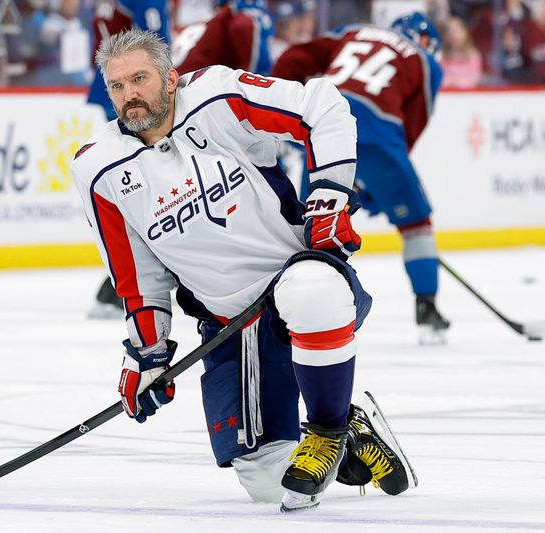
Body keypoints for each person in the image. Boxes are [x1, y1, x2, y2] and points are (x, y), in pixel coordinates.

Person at [70, 28, 416, 511]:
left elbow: (322, 105)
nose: (129, 94)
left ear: (170, 79)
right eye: (117, 86)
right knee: (269, 482)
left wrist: (331, 195)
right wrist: (147, 353)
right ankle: (352, 431)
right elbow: (136, 274)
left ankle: (327, 427)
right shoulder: (99, 170)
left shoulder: (216, 95)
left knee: (312, 289)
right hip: (230, 324)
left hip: (297, 279)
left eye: (140, 79)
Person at [273, 12, 450, 344]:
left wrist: (289, 108)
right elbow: (408, 131)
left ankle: (290, 310)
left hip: (323, 126)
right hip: (379, 137)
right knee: (416, 224)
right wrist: (376, 186)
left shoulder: (352, 30)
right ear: (425, 41)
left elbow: (293, 57)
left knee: (308, 224)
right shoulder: (426, 62)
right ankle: (427, 307)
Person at [85, 0, 171, 318]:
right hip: (137, 93)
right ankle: (124, 283)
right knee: (149, 186)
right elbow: (155, 44)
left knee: (135, 185)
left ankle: (124, 282)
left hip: (112, 88)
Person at [172, 0, 274, 77]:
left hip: (174, 76)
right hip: (188, 87)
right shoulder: (235, 15)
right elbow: (244, 26)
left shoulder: (213, 21)